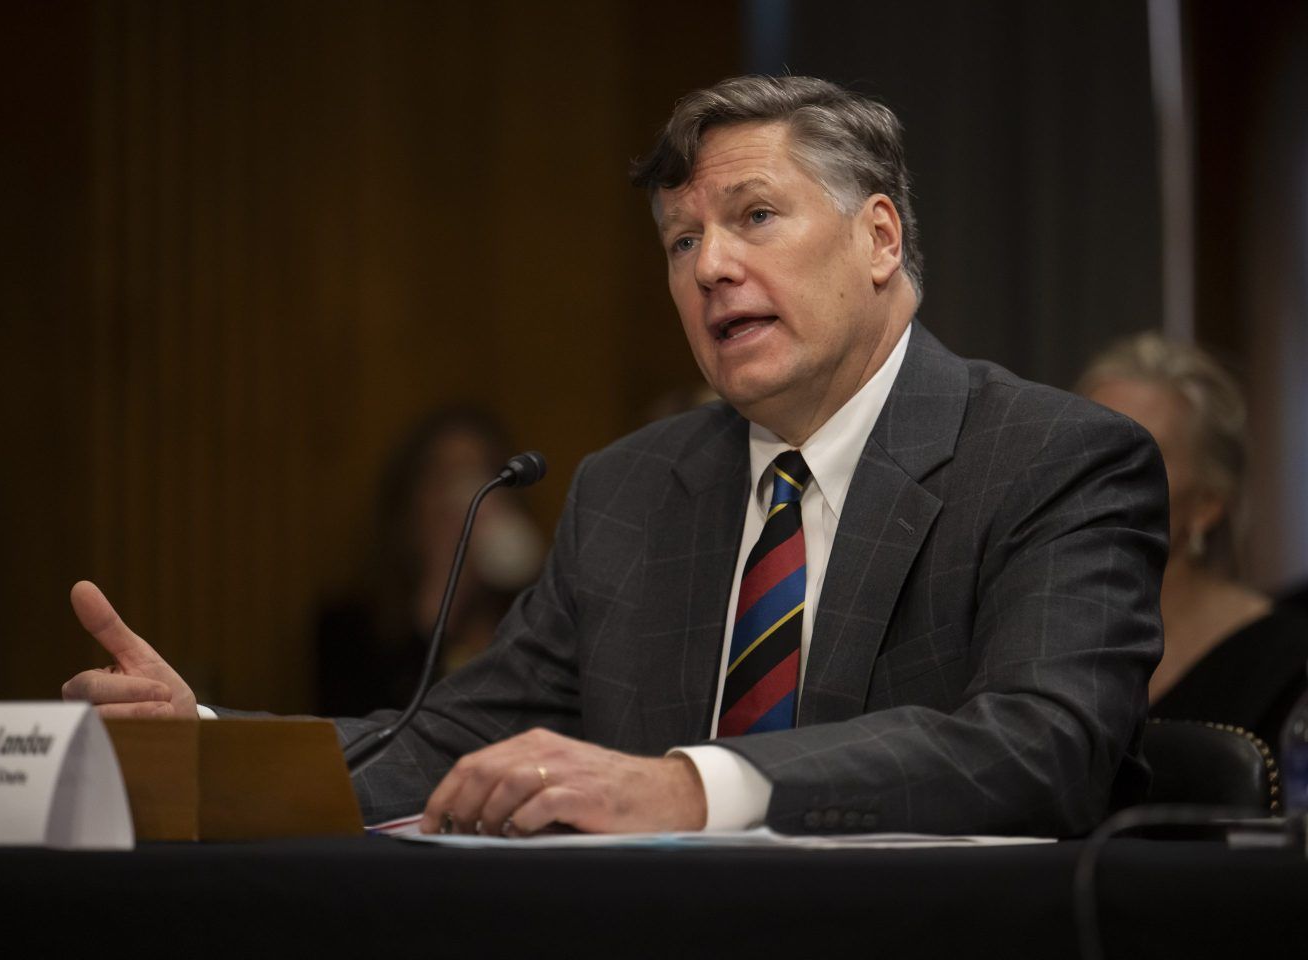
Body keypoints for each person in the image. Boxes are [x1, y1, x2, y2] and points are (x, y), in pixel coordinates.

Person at [63, 75, 1167, 837]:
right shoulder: (635, 490)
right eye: (683, 241)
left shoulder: (1054, 458)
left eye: (754, 217)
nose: (710, 268)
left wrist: (694, 788)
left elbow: (1043, 745)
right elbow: (445, 738)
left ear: (880, 237)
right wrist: (205, 745)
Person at [1078, 333, 1308, 745]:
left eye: (1136, 454)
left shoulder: (1285, 663)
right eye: (1084, 447)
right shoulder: (1026, 628)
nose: (1097, 475)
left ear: (1207, 505)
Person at [315, 406, 544, 717]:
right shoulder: (349, 629)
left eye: (482, 476)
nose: (465, 501)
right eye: (444, 479)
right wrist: (442, 592)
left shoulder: (539, 620)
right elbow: (363, 734)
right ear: (408, 501)